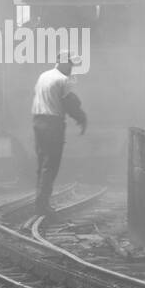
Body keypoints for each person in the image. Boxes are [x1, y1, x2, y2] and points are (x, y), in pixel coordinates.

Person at [31, 54, 87, 218]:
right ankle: (42, 204)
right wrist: (81, 118)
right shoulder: (63, 80)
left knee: (42, 164)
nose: (71, 68)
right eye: (70, 65)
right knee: (51, 165)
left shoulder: (43, 76)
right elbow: (69, 103)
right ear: (63, 64)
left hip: (38, 122)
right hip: (52, 125)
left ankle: (40, 201)